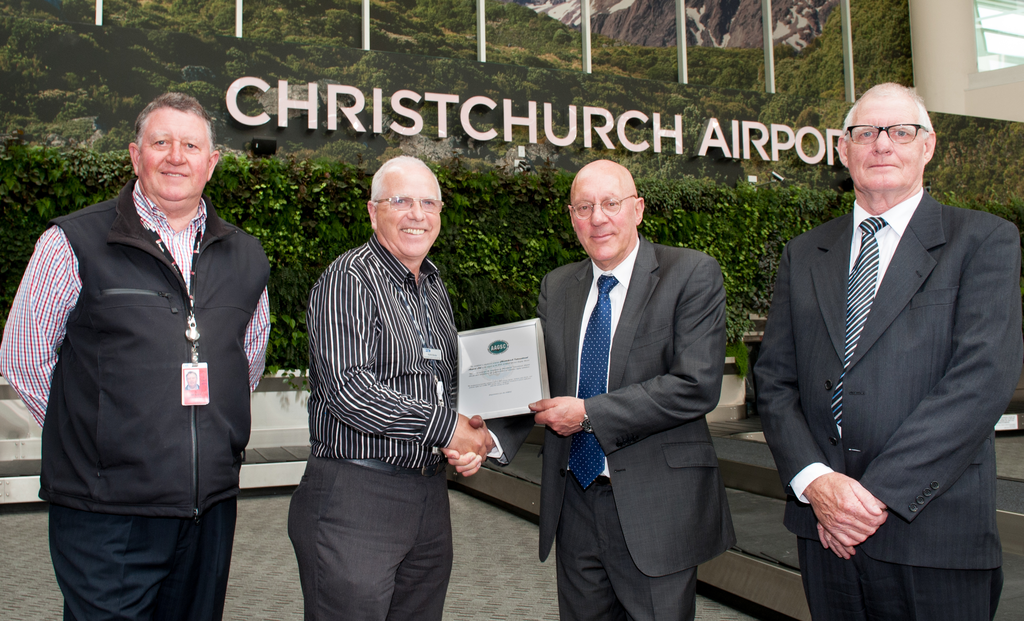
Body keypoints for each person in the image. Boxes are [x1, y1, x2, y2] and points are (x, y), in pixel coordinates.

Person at [754, 83, 1022, 621]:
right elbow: (775, 381)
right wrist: (816, 484)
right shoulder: (805, 253)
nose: (882, 144)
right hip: (826, 536)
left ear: (927, 146)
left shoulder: (983, 240)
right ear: (843, 149)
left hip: (932, 531)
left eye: (901, 132)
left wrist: (868, 500)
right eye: (865, 132)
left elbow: (981, 379)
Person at [0, 92, 271, 620]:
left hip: (208, 510)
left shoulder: (246, 254)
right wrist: (94, 439)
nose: (176, 156)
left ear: (211, 163)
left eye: (191, 145)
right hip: (106, 514)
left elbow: (247, 360)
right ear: (134, 155)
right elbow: (24, 357)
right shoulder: (71, 241)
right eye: (161, 142)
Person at [479, 159, 735, 620]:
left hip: (656, 506)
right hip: (574, 502)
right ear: (571, 217)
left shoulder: (690, 274)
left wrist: (591, 413)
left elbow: (695, 385)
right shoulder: (558, 286)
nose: (598, 218)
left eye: (611, 203)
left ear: (637, 209)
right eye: (584, 206)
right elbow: (540, 382)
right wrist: (486, 436)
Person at [288, 156, 492, 621]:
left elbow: (442, 387)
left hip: (427, 494)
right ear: (372, 210)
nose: (416, 214)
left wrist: (470, 441)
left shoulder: (433, 284)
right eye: (400, 200)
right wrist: (447, 429)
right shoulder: (349, 279)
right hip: (357, 497)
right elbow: (349, 388)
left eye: (428, 202)